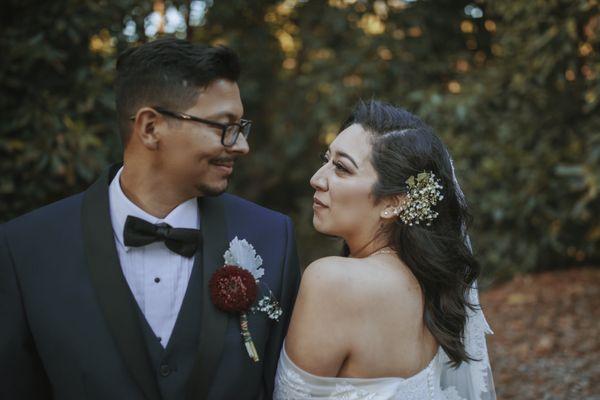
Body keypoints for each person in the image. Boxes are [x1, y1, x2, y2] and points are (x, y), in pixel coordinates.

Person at [0, 38, 300, 400]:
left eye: (241, 127)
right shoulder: (25, 248)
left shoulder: (271, 238)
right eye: (224, 126)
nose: (241, 146)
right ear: (150, 128)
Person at [274, 100, 495, 399]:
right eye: (326, 160)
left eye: (341, 167)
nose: (316, 179)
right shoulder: (432, 287)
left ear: (394, 202)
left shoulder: (332, 282)